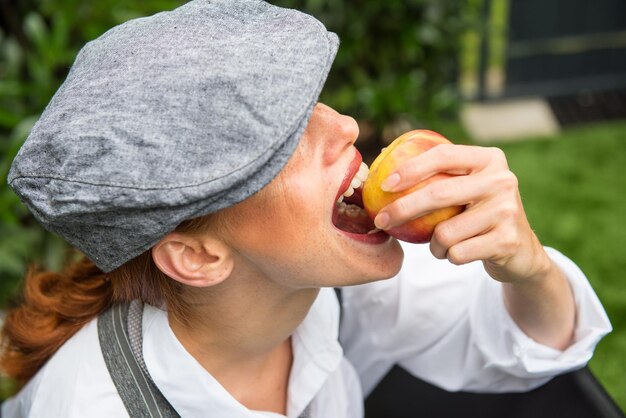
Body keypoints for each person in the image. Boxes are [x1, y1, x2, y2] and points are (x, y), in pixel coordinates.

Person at [1, 1, 611, 417]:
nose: (346, 125)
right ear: (196, 255)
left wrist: (527, 268)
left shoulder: (320, 285)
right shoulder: (87, 405)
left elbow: (526, 346)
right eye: (281, 146)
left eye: (316, 104)